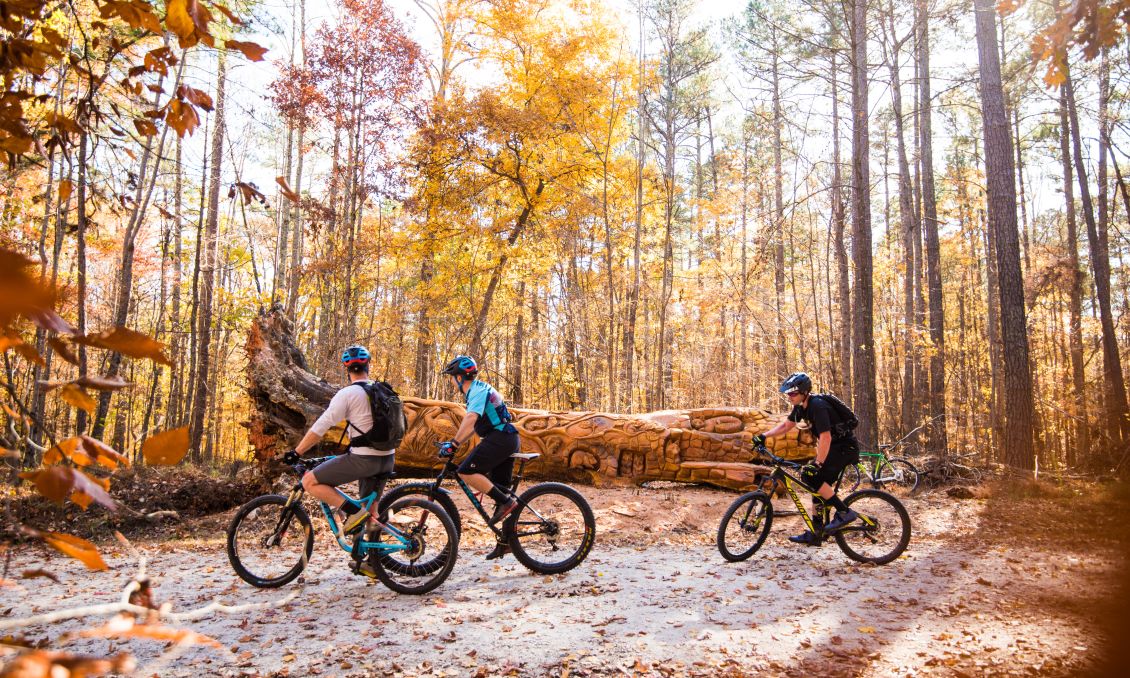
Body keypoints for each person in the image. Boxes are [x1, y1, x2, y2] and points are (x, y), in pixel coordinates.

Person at [283, 345, 396, 538]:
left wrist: (298, 452)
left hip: (364, 461)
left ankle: (355, 513)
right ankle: (371, 561)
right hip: (387, 458)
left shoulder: (348, 394)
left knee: (309, 481)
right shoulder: (383, 390)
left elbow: (320, 427)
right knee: (372, 515)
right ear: (368, 365)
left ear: (347, 369)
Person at [754, 372, 860, 545]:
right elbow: (786, 426)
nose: (789, 396)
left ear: (804, 392)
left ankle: (844, 512)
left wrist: (817, 464)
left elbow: (825, 437)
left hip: (844, 448)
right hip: (835, 448)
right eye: (788, 393)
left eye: (793, 393)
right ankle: (817, 532)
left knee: (812, 476)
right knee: (813, 483)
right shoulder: (801, 407)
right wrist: (764, 436)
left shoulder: (817, 406)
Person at [438, 355, 520, 560]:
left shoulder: (477, 391)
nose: (451, 381)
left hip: (501, 438)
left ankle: (506, 502)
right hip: (504, 437)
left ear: (459, 377)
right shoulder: (478, 390)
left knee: (466, 471)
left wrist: (454, 444)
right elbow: (475, 425)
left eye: (451, 377)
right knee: (500, 490)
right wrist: (457, 443)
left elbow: (471, 419)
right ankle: (507, 542)